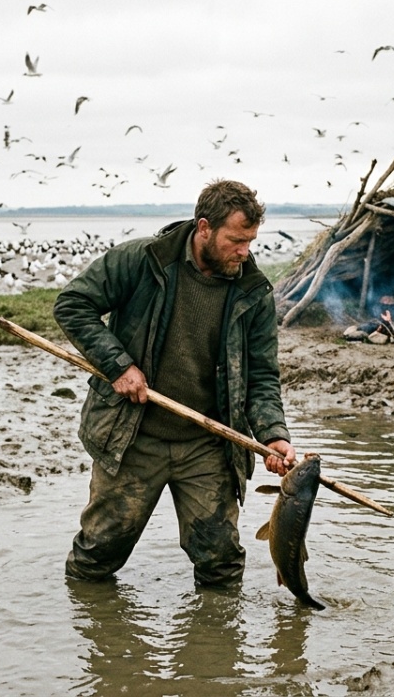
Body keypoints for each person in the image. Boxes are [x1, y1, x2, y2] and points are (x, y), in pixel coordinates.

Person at [53, 179, 296, 587]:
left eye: (250, 241)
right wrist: (119, 366)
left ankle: (216, 630)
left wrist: (273, 434)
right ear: (204, 228)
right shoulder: (142, 260)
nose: (245, 252)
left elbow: (262, 376)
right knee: (97, 556)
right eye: (236, 240)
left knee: (221, 564)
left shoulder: (252, 291)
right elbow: (72, 304)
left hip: (208, 444)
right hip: (133, 437)